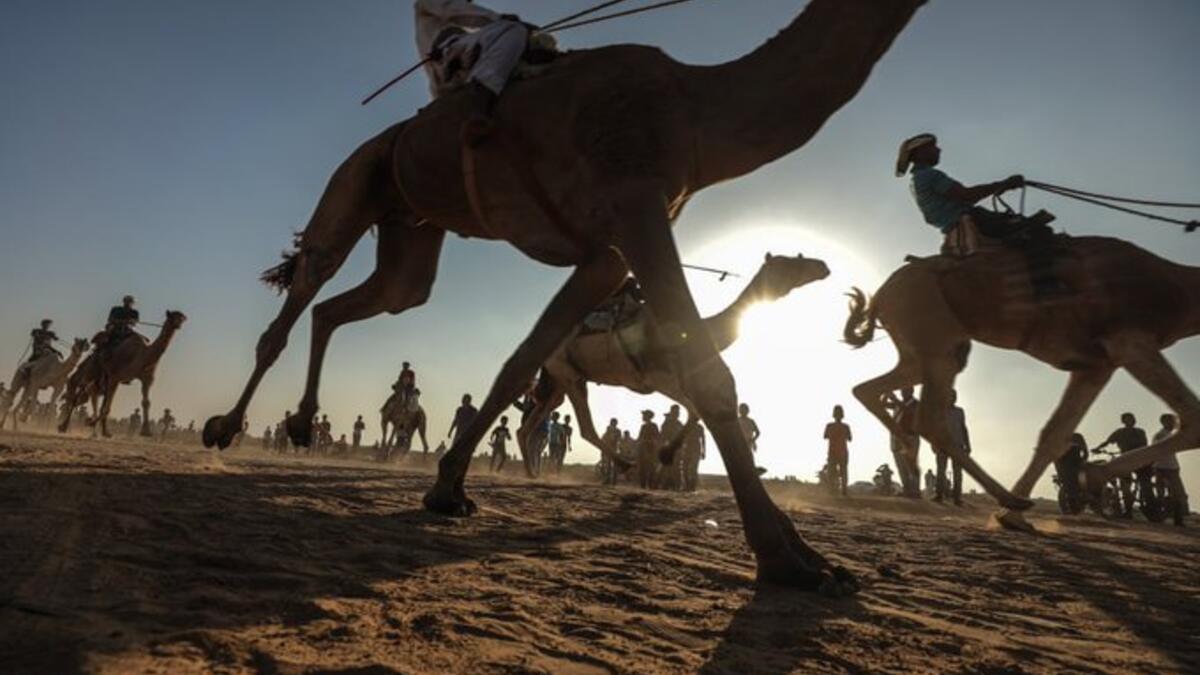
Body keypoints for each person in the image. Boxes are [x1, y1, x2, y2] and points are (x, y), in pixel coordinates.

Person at [895, 133, 1062, 294]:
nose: (939, 150)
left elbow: (965, 198)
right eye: (933, 147)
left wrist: (1001, 186)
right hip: (973, 221)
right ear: (919, 152)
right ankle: (1046, 288)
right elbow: (967, 195)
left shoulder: (917, 179)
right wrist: (1003, 183)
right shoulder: (929, 175)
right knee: (1038, 231)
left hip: (964, 221)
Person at [414, 0, 532, 144]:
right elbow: (454, 10)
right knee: (512, 29)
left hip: (456, 62)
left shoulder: (456, 28)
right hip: (451, 56)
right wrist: (499, 19)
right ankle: (478, 106)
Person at [1097, 412, 1151, 519]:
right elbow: (1108, 442)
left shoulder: (1122, 432)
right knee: (1134, 484)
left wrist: (1097, 449)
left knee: (1126, 485)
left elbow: (1107, 442)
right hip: (1139, 459)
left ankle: (1129, 511)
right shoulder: (1138, 432)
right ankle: (1131, 509)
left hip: (1127, 460)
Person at [883, 387, 922, 499]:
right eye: (902, 390)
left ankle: (915, 491)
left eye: (905, 390)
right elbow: (883, 405)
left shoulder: (915, 404)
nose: (903, 392)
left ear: (911, 391)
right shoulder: (897, 404)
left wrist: (894, 399)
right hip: (897, 437)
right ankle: (907, 489)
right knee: (900, 465)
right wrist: (886, 394)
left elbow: (908, 411)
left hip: (910, 437)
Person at [935, 390, 971, 505]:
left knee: (957, 473)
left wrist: (968, 445)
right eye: (950, 396)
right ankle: (939, 495)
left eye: (954, 397)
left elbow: (964, 428)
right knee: (941, 471)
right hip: (942, 445)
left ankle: (957, 498)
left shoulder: (960, 412)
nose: (953, 399)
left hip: (958, 445)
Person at [1152, 414, 1188, 527]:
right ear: (1164, 422)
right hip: (1162, 466)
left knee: (1176, 493)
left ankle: (1177, 518)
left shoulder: (1170, 434)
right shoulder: (1160, 435)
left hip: (1172, 466)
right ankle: (1163, 517)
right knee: (1165, 493)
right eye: (1171, 421)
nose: (1173, 424)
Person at [823, 405, 852, 497]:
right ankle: (843, 491)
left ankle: (833, 490)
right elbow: (850, 438)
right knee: (843, 472)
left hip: (833, 452)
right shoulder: (846, 426)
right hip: (842, 452)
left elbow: (825, 436)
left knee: (832, 472)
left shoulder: (829, 426)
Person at [659, 405, 685, 490]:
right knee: (667, 467)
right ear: (672, 412)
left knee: (676, 467)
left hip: (677, 448)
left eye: (678, 412)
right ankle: (665, 485)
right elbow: (662, 436)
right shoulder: (667, 424)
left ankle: (677, 486)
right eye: (675, 412)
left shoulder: (679, 424)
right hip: (668, 448)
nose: (677, 414)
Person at [636, 410, 661, 489]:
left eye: (644, 415)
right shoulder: (643, 426)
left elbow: (657, 436)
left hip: (651, 448)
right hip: (643, 447)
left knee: (651, 467)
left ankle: (651, 485)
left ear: (648, 416)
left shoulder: (654, 426)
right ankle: (643, 485)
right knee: (642, 467)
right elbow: (639, 437)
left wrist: (650, 441)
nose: (642, 417)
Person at [682, 423, 706, 492]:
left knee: (693, 468)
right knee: (684, 468)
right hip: (687, 448)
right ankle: (687, 486)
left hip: (695, 448)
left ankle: (692, 487)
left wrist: (704, 451)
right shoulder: (686, 426)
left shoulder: (699, 427)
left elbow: (703, 439)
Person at [599, 418, 621, 486]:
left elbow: (618, 440)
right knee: (608, 465)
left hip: (614, 449)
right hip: (608, 449)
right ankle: (607, 480)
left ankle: (614, 481)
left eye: (614, 423)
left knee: (614, 466)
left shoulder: (617, 431)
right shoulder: (608, 431)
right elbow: (604, 439)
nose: (613, 424)